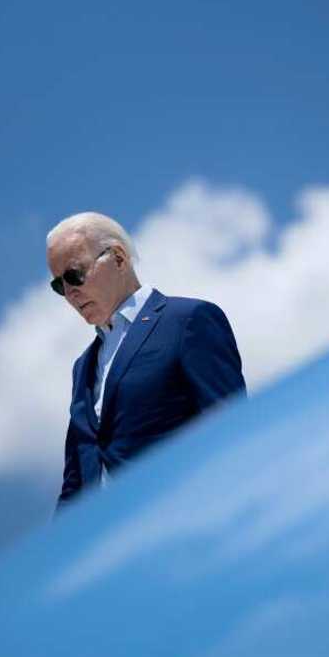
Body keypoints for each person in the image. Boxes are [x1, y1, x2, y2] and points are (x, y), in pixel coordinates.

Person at [46, 212, 246, 514]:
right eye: (59, 285)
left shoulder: (187, 321)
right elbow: (74, 483)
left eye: (75, 275)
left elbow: (232, 430)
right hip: (109, 536)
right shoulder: (82, 367)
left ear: (118, 258)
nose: (70, 293)